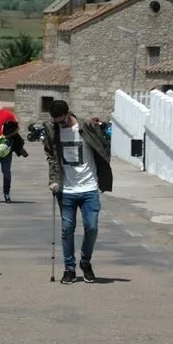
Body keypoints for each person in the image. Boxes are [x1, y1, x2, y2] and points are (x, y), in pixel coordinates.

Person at [43, 100, 113, 285]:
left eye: (61, 121)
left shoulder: (87, 126)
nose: (59, 124)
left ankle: (85, 262)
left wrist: (102, 171)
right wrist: (53, 179)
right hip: (66, 189)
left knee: (92, 227)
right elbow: (51, 155)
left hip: (89, 187)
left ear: (68, 114)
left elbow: (104, 146)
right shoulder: (51, 129)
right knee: (67, 230)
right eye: (55, 121)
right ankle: (69, 269)